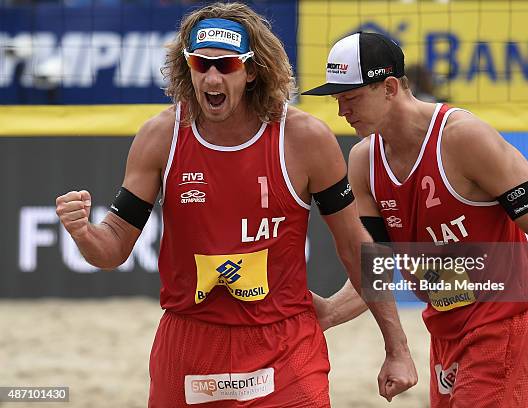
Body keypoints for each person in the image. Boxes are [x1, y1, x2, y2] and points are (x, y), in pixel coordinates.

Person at [55, 4, 416, 407]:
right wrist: (85, 233)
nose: (211, 77)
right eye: (200, 63)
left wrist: (397, 347)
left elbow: (357, 249)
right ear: (185, 67)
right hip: (190, 339)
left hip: (284, 345)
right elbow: (113, 248)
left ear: (252, 70)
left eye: (225, 65)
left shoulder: (304, 138)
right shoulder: (161, 136)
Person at [303, 32, 528, 407]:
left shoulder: (463, 138)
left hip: (503, 328)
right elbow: (378, 267)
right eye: (338, 100)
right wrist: (330, 312)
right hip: (444, 332)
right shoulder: (363, 161)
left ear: (389, 87)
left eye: (350, 98)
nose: (342, 111)